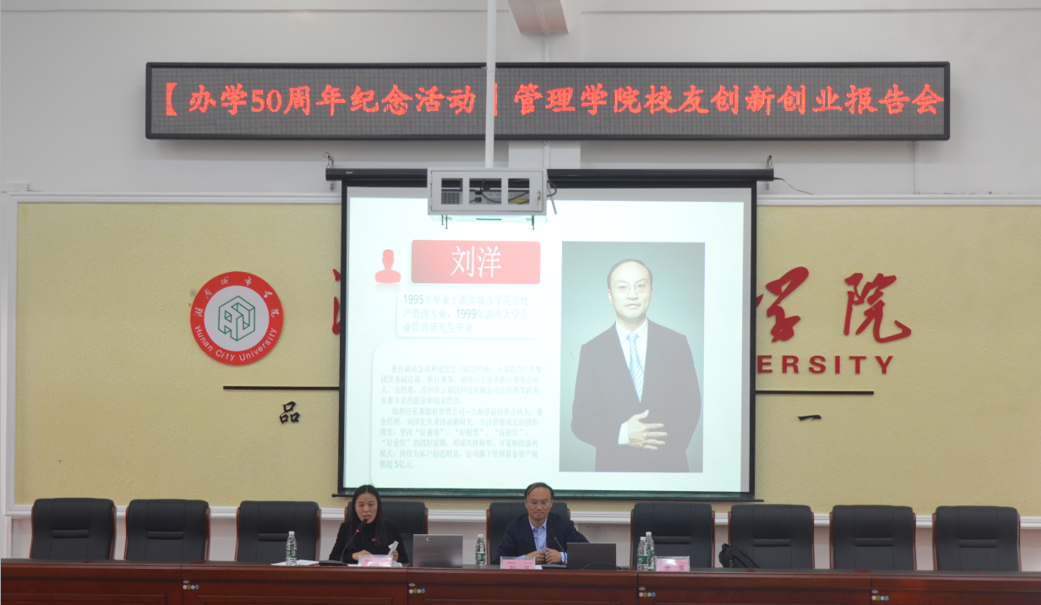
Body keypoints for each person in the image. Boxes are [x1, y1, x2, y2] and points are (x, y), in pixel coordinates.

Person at [570, 259, 702, 472]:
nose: (632, 295)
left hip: (669, 472)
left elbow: (690, 406)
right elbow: (581, 420)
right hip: (613, 473)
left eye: (640, 286)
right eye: (622, 287)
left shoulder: (675, 343)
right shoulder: (592, 350)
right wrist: (623, 434)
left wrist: (662, 453)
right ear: (610, 296)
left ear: (651, 292)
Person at [495, 482, 588, 564]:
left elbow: (587, 552)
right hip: (526, 577)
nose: (539, 507)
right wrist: (525, 559)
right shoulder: (514, 527)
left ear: (551, 503)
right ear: (526, 503)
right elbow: (498, 561)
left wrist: (562, 557)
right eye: (534, 503)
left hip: (555, 576)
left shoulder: (564, 526)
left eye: (544, 503)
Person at [329, 484, 408, 564]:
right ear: (355, 507)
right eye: (361, 505)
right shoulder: (346, 528)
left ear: (378, 506)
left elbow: (405, 560)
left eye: (371, 504)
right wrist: (353, 556)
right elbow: (333, 559)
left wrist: (396, 558)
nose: (366, 509)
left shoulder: (392, 528)